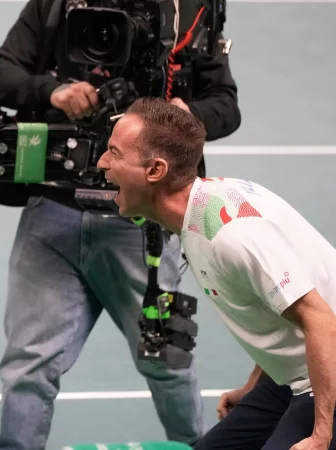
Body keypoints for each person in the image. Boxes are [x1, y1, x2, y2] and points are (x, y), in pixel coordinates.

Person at [0, 0, 241, 448]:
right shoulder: (57, 5)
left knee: (167, 361)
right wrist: (52, 91)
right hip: (53, 214)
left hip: (145, 226)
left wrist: (185, 115)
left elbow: (225, 106)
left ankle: (198, 447)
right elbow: (1, 74)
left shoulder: (190, 11)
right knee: (28, 364)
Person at [97, 97, 336, 450]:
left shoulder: (230, 237)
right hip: (294, 374)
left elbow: (322, 321)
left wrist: (321, 436)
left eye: (114, 153)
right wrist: (254, 384)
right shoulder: (201, 212)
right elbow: (275, 310)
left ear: (155, 171)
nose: (102, 162)